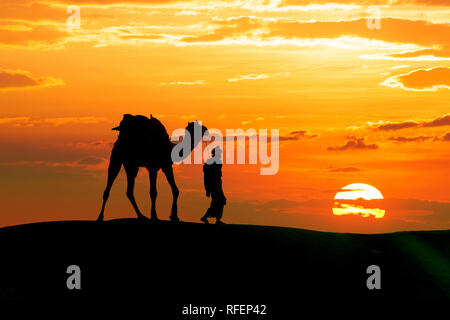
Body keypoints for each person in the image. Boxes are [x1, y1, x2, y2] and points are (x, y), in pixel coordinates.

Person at [201, 147, 226, 224]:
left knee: (220, 201)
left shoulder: (215, 161)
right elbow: (206, 175)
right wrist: (207, 189)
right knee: (217, 201)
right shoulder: (210, 163)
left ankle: (217, 219)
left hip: (217, 184)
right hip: (213, 185)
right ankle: (206, 217)